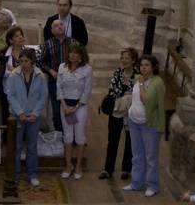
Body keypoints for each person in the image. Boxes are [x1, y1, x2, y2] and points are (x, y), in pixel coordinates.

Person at [123, 54, 165, 198]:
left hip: (150, 124)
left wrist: (141, 84)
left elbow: (146, 100)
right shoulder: (137, 79)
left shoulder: (157, 82)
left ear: (153, 67)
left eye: (147, 65)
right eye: (141, 65)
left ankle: (152, 185)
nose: (143, 68)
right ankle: (137, 182)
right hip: (134, 122)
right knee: (137, 155)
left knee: (151, 157)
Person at [4, 49, 47, 187]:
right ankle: (15, 174)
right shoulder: (13, 75)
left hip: (33, 117)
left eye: (26, 61)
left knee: (32, 147)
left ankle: (32, 174)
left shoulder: (40, 76)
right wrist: (20, 112)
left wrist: (35, 113)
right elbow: (10, 96)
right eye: (21, 61)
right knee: (16, 147)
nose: (23, 64)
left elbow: (43, 96)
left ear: (32, 62)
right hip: (18, 116)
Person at [99, 47, 138, 181]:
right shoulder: (117, 72)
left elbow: (137, 93)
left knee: (130, 141)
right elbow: (112, 90)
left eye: (127, 58)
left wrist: (127, 94)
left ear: (133, 60)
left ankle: (126, 169)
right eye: (122, 58)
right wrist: (127, 94)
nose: (124, 60)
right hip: (117, 110)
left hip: (131, 112)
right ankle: (108, 169)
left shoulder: (138, 75)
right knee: (113, 140)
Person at [57, 43, 93, 180]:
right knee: (67, 137)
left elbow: (87, 90)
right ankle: (68, 165)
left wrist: (75, 107)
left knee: (79, 138)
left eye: (75, 53)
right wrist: (65, 106)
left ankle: (78, 166)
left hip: (80, 107)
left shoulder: (87, 70)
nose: (72, 55)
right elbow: (58, 87)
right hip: (65, 106)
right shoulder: (62, 67)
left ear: (81, 56)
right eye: (70, 52)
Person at [39, 18, 73, 132]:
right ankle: (59, 135)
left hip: (71, 82)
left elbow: (81, 60)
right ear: (52, 30)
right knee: (56, 111)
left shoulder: (73, 43)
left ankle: (71, 135)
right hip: (55, 81)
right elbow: (41, 62)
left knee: (69, 108)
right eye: (56, 26)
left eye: (61, 24)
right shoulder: (48, 43)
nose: (60, 27)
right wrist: (51, 71)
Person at [0, 25, 26, 126]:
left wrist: (14, 71)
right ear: (11, 41)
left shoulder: (29, 53)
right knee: (7, 118)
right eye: (16, 36)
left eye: (21, 35)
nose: (20, 37)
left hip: (25, 92)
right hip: (7, 92)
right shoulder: (3, 55)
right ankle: (8, 140)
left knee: (23, 118)